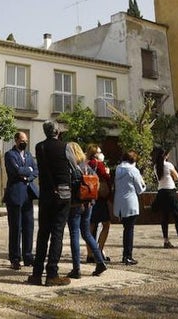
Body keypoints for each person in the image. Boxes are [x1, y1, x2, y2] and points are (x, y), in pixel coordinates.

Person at [29, 121, 72, 286]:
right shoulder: (65, 147)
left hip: (46, 194)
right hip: (63, 193)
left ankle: (36, 273)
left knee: (43, 233)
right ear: (57, 132)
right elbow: (75, 168)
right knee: (57, 233)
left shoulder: (39, 147)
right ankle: (52, 273)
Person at [65, 141, 108, 278]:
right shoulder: (86, 166)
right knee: (87, 234)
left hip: (75, 205)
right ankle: (100, 262)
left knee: (74, 235)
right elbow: (96, 182)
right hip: (88, 204)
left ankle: (76, 269)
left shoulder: (71, 167)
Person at [2, 130, 38, 270]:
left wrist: (28, 175)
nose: (25, 143)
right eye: (22, 140)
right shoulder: (10, 155)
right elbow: (16, 171)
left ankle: (28, 256)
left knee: (29, 227)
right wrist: (27, 170)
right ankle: (15, 258)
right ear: (16, 140)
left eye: (26, 141)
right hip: (15, 195)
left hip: (28, 195)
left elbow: (35, 170)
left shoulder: (29, 155)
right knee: (16, 228)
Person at [151, 146, 178, 250]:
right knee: (177, 216)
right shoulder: (168, 165)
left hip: (161, 192)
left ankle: (166, 240)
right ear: (165, 156)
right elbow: (177, 177)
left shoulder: (156, 166)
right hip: (170, 191)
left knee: (164, 217)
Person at [113, 150, 146, 265]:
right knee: (129, 229)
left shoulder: (118, 169)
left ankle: (125, 255)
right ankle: (128, 255)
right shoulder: (133, 170)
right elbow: (140, 189)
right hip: (130, 202)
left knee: (126, 229)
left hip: (119, 202)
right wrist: (144, 185)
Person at [85, 144, 112, 263]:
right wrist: (108, 173)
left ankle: (89, 254)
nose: (101, 154)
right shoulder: (98, 164)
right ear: (95, 154)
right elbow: (106, 178)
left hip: (89, 197)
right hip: (99, 198)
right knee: (106, 224)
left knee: (91, 226)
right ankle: (99, 251)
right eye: (99, 152)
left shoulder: (86, 164)